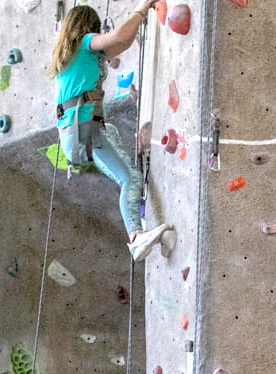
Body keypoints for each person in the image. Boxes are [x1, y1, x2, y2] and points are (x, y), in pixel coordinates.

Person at [50, 1, 174, 262]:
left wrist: (140, 21)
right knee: (130, 178)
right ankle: (135, 237)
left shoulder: (78, 56)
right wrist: (142, 8)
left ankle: (152, 235)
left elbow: (123, 43)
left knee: (116, 137)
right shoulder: (84, 43)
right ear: (86, 27)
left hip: (79, 134)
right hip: (85, 130)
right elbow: (117, 36)